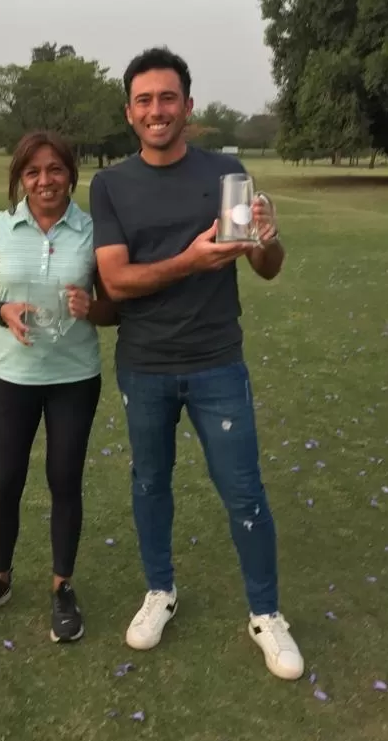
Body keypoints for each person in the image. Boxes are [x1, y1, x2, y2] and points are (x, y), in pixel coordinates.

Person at [89, 48, 304, 680]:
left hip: (217, 362)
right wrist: (189, 261)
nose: (156, 110)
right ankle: (160, 590)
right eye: (144, 100)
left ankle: (266, 613)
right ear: (129, 113)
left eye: (167, 98)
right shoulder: (110, 185)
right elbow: (116, 281)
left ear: (188, 105)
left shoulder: (226, 172)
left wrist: (267, 238)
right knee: (150, 483)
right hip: (145, 363)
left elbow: (265, 266)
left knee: (244, 490)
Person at [0, 131, 117, 643]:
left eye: (55, 170)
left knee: (64, 480)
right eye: (33, 172)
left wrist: (91, 307)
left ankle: (62, 586)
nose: (45, 181)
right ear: (20, 179)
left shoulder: (93, 230)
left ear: (71, 174)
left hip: (74, 377)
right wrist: (2, 311)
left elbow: (114, 309)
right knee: (4, 481)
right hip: (12, 377)